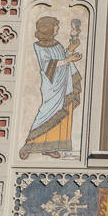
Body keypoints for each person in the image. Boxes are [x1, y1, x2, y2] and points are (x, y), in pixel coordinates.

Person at [21, 16, 82, 158]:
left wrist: (70, 51)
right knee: (47, 112)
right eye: (55, 26)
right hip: (52, 86)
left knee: (63, 113)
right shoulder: (38, 46)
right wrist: (68, 59)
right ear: (47, 29)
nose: (57, 28)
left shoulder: (57, 44)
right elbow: (48, 65)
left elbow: (62, 57)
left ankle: (51, 146)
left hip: (64, 84)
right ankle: (29, 145)